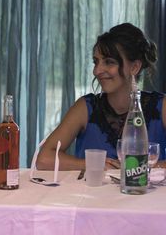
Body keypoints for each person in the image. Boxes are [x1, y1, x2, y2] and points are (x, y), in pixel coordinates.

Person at [37, 23, 166, 170]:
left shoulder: (161, 106)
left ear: (134, 67)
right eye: (96, 62)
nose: (97, 71)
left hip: (146, 193)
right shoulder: (85, 107)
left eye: (109, 62)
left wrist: (151, 168)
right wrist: (92, 164)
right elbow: (44, 159)